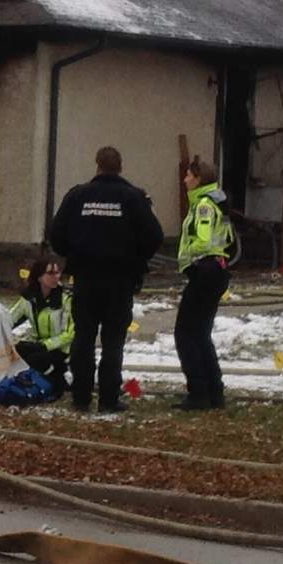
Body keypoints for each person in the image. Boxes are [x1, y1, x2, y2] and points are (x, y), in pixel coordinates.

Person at [48, 146, 164, 413]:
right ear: (120, 167)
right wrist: (137, 259)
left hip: (85, 278)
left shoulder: (77, 196)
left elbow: (56, 235)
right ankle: (109, 399)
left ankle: (81, 397)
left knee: (83, 337)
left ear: (97, 165)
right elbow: (154, 236)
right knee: (113, 341)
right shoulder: (133, 198)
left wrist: (74, 253)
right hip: (120, 280)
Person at [174, 159, 234, 410]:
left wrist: (186, 257)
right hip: (215, 270)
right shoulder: (211, 201)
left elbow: (203, 239)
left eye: (189, 175)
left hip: (205, 271)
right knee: (200, 333)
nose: (185, 179)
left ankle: (198, 391)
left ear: (198, 179)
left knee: (185, 333)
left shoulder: (204, 206)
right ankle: (214, 391)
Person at [8, 256, 73, 395]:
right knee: (15, 354)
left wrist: (45, 345)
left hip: (61, 349)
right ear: (39, 277)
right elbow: (10, 318)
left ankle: (56, 379)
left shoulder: (66, 299)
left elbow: (70, 334)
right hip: (37, 344)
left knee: (34, 360)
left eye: (57, 272)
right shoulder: (29, 298)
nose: (56, 277)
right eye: (50, 273)